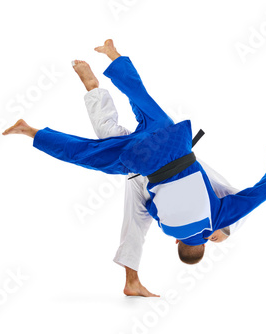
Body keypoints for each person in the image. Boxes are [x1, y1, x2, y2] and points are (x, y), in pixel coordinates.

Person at [2, 39, 266, 268]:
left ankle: (113, 55)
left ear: (205, 242)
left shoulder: (217, 219)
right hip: (143, 160)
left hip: (175, 142)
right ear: (178, 245)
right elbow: (150, 204)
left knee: (142, 99)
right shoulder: (168, 229)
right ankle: (31, 131)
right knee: (86, 154)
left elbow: (255, 197)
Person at [78, 69, 254, 296]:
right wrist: (225, 228)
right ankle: (106, 81)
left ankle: (132, 283)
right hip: (170, 156)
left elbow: (140, 220)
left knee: (111, 137)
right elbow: (240, 197)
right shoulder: (211, 213)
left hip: (139, 170)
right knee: (135, 120)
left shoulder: (172, 223)